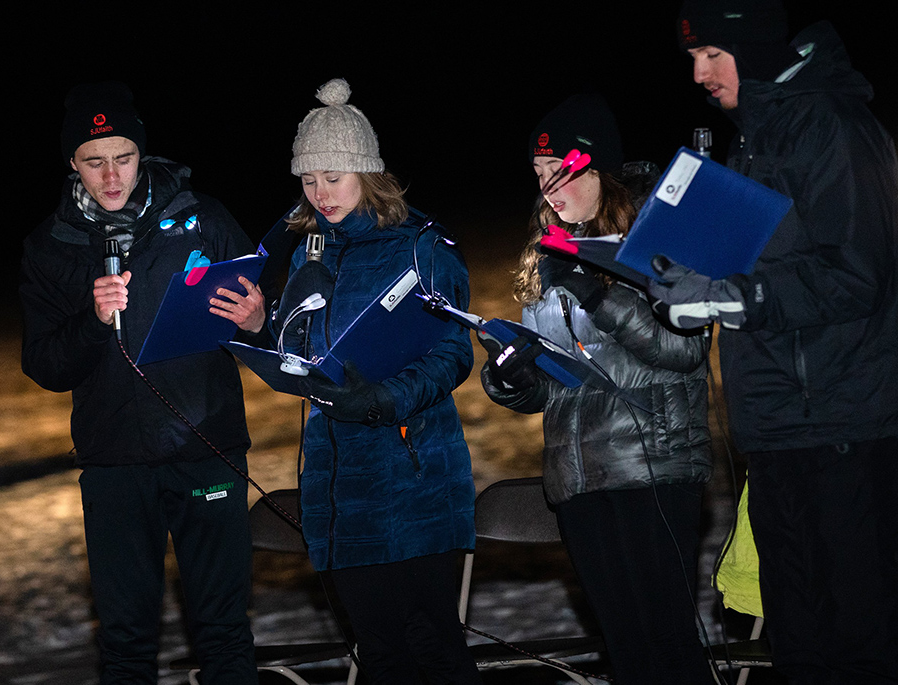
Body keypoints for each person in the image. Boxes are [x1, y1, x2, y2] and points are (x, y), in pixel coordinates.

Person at [650, 2, 898, 682]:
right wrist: (692, 292)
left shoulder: (832, 126)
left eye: (711, 55)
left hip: (842, 421)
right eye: (693, 60)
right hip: (779, 426)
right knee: (799, 638)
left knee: (858, 637)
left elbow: (858, 273)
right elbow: (747, 271)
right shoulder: (752, 139)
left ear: (754, 50)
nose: (699, 73)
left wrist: (742, 296)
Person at [20, 81, 265, 684]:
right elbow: (47, 366)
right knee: (127, 643)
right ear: (72, 164)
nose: (111, 177)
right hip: (115, 464)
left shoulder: (202, 218)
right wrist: (92, 323)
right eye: (94, 162)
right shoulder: (49, 247)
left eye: (123, 158)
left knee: (224, 631)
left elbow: (268, 328)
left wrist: (260, 320)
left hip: (206, 450)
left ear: (142, 153)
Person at [479, 93, 715, 684]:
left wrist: (596, 293)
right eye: (539, 176)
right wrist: (510, 375)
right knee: (626, 650)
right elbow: (550, 381)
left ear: (598, 169)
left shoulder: (659, 232)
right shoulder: (550, 247)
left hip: (652, 469)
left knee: (668, 646)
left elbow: (684, 351)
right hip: (579, 477)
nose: (549, 190)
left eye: (561, 172)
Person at [273, 78, 480, 684]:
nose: (321, 193)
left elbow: (453, 353)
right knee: (380, 654)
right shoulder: (307, 252)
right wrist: (272, 336)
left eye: (333, 177)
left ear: (368, 173)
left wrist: (384, 398)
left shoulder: (419, 248)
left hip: (412, 475)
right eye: (309, 180)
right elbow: (303, 356)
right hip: (339, 490)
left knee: (434, 646)